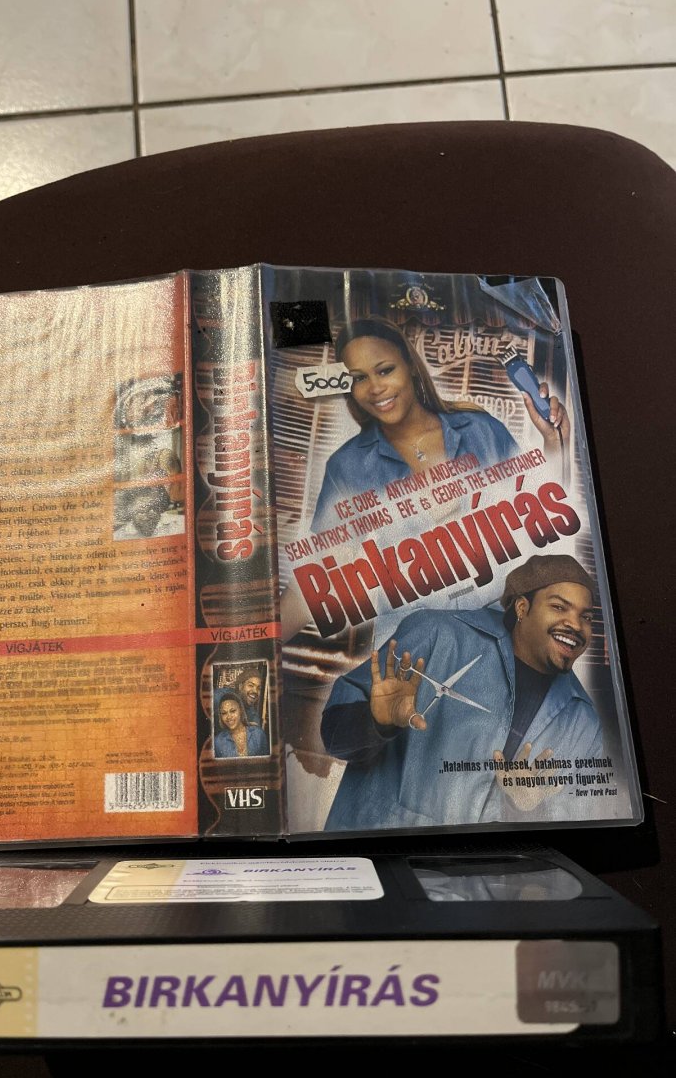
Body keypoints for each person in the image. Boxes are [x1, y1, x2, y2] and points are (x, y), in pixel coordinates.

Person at [281, 317, 569, 640]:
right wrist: (260, 643)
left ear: (411, 366)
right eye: (359, 378)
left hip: (502, 634)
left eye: (385, 370)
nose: (375, 388)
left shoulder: (480, 430)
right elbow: (318, 578)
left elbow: (543, 517)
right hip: (411, 647)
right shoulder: (347, 467)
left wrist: (555, 442)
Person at [320, 554, 603, 831]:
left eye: (586, 617)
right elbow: (333, 740)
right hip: (379, 853)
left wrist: (524, 808)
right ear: (521, 608)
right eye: (559, 607)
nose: (576, 626)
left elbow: (570, 830)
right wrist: (376, 722)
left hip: (477, 863)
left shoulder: (585, 724)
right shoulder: (435, 634)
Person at [213, 690, 269, 758]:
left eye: (233, 711)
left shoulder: (258, 734)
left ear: (241, 710)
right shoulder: (217, 742)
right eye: (224, 713)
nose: (229, 717)